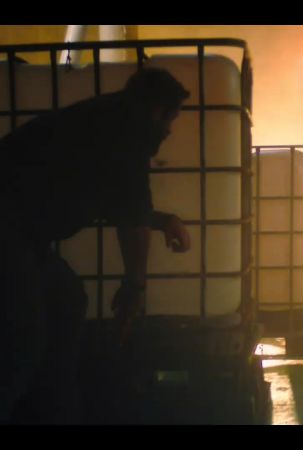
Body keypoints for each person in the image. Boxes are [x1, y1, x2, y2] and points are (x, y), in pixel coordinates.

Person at [1, 67, 192, 424]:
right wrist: (134, 288)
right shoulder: (128, 133)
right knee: (20, 341)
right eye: (170, 119)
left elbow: (114, 200)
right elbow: (131, 218)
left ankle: (51, 406)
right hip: (11, 233)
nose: (169, 130)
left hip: (23, 234)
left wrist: (162, 220)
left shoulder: (105, 120)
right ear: (156, 111)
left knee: (66, 299)